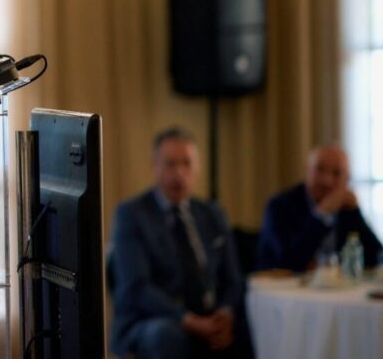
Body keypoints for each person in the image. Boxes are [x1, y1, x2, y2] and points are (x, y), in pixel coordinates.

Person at [110, 128, 251, 359]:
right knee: (166, 335)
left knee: (250, 327)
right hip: (153, 319)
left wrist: (225, 315)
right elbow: (137, 287)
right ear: (154, 165)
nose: (179, 173)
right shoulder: (132, 214)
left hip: (208, 315)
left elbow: (233, 279)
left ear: (198, 168)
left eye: (186, 164)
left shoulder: (212, 214)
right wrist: (190, 321)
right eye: (170, 164)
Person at [256, 144, 382, 272]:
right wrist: (321, 215)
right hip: (281, 290)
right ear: (306, 170)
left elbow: (377, 257)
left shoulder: (346, 208)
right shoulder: (279, 206)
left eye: (337, 173)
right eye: (320, 169)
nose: (326, 181)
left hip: (337, 290)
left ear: (347, 178)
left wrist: (355, 213)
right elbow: (287, 261)